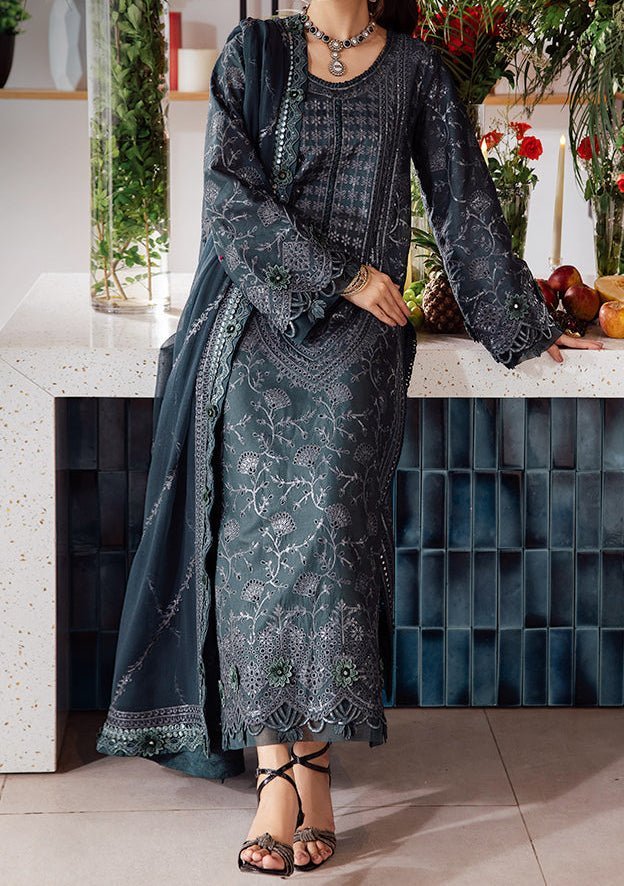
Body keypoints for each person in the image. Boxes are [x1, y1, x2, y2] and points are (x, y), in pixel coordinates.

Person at [96, 0, 605, 877]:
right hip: (257, 319)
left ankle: (315, 766)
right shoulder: (255, 51)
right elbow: (228, 198)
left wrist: (528, 322)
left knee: (331, 529)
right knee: (256, 537)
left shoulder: (415, 71)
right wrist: (341, 273)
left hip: (362, 339)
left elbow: (464, 205)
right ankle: (278, 776)